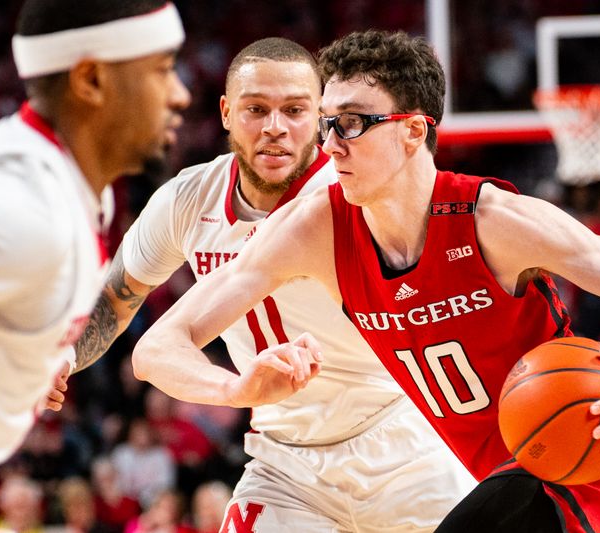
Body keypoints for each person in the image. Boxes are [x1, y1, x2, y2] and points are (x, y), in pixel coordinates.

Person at [133, 30, 600, 533]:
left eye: (355, 123)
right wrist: (237, 391)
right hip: (504, 469)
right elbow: (157, 348)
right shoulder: (315, 227)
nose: (331, 142)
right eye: (329, 122)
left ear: (414, 131)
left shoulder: (492, 222)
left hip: (588, 447)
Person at [64, 38, 472, 531]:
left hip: (403, 443)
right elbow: (114, 301)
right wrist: (59, 361)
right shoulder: (188, 200)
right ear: (226, 112)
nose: (275, 127)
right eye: (256, 109)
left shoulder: (358, 193)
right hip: (285, 464)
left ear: (321, 114)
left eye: (295, 110)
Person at [0, 1, 191, 530]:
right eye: (162, 70)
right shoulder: (18, 207)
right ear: (91, 80)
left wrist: (31, 355)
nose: (180, 95)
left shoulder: (73, 192)